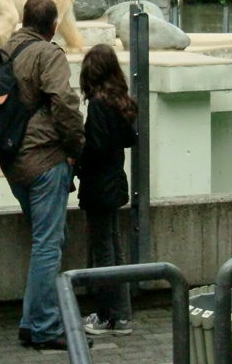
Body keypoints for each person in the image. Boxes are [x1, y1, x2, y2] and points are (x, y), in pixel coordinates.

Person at [0, 0, 86, 351]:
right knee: (48, 245)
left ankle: (31, 323)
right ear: (52, 26)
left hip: (12, 161)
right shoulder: (49, 54)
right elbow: (64, 102)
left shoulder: (2, 53)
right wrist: (76, 147)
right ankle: (45, 328)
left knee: (47, 240)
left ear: (22, 19)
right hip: (45, 160)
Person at [77, 43, 137, 336]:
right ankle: (122, 315)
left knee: (103, 254)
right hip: (115, 184)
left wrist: (77, 160)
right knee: (116, 250)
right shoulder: (120, 101)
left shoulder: (98, 104)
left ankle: (105, 317)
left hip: (98, 188)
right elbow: (129, 139)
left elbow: (96, 147)